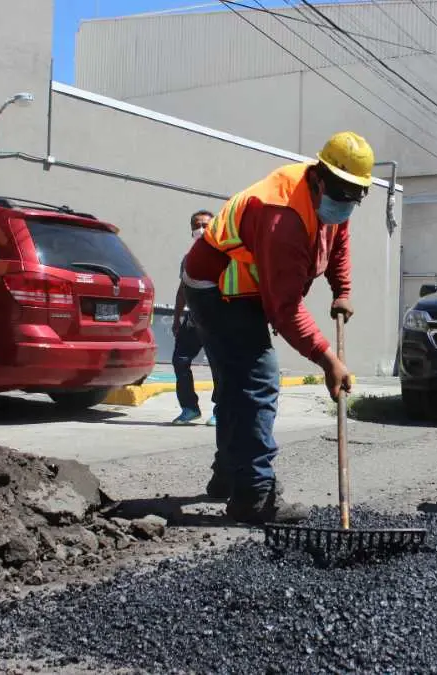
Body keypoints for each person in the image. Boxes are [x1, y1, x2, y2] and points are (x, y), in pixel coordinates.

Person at [179, 131, 371, 525]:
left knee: (236, 385)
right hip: (216, 288)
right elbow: (284, 308)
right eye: (339, 190)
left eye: (354, 193)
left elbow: (338, 240)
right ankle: (255, 495)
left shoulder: (331, 203)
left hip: (245, 288)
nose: (344, 200)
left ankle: (229, 476)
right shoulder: (282, 215)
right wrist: (327, 358)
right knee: (259, 382)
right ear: (318, 176)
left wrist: (343, 290)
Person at [171, 210, 218, 426]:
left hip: (217, 320)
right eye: (197, 225)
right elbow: (183, 289)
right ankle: (189, 408)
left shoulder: (223, 255)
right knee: (180, 361)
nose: (201, 229)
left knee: (220, 365)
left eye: (206, 225)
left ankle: (221, 409)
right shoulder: (187, 259)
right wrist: (177, 318)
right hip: (193, 320)